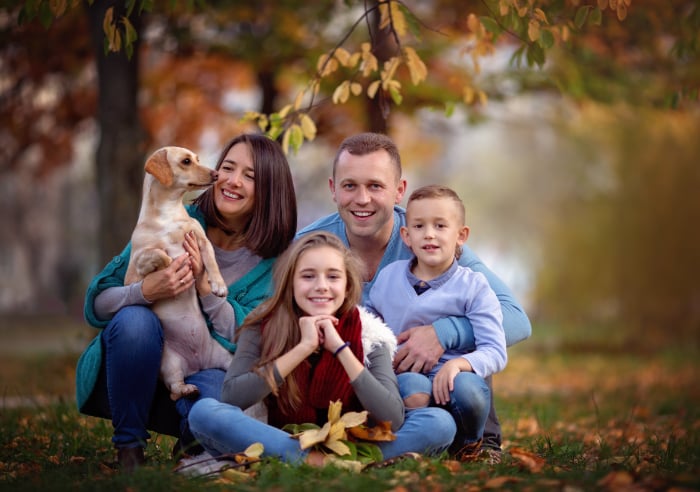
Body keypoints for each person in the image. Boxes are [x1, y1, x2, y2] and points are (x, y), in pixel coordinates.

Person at [296, 132, 531, 462]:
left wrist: (443, 333)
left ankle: (480, 443)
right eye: (350, 186)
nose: (362, 199)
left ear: (399, 191)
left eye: (376, 186)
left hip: (444, 375)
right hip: (368, 376)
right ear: (333, 189)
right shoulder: (308, 245)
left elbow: (516, 318)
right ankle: (382, 442)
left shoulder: (430, 233)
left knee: (466, 323)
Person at [75, 134, 298, 471]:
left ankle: (193, 443)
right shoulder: (168, 218)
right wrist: (146, 291)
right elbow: (99, 303)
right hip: (138, 373)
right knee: (134, 319)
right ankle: (129, 449)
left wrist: (206, 288)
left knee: (217, 404)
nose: (231, 180)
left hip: (206, 379)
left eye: (250, 176)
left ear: (270, 189)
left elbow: (250, 336)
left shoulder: (276, 262)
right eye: (227, 168)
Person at [187, 231, 456, 465]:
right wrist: (303, 348)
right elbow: (233, 397)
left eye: (333, 277)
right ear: (291, 282)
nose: (321, 287)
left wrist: (341, 349)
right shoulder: (262, 324)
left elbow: (392, 418)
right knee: (204, 412)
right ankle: (310, 460)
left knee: (438, 423)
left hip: (354, 443)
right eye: (308, 276)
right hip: (280, 437)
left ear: (347, 284)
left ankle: (322, 463)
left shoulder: (370, 333)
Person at [366, 184, 507, 460]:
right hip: (407, 375)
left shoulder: (473, 286)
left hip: (457, 384)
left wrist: (458, 364)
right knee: (413, 390)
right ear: (406, 236)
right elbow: (370, 326)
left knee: (469, 390)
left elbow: (496, 351)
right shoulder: (388, 278)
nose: (429, 234)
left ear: (461, 235)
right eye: (419, 226)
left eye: (440, 226)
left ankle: (468, 446)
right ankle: (427, 443)